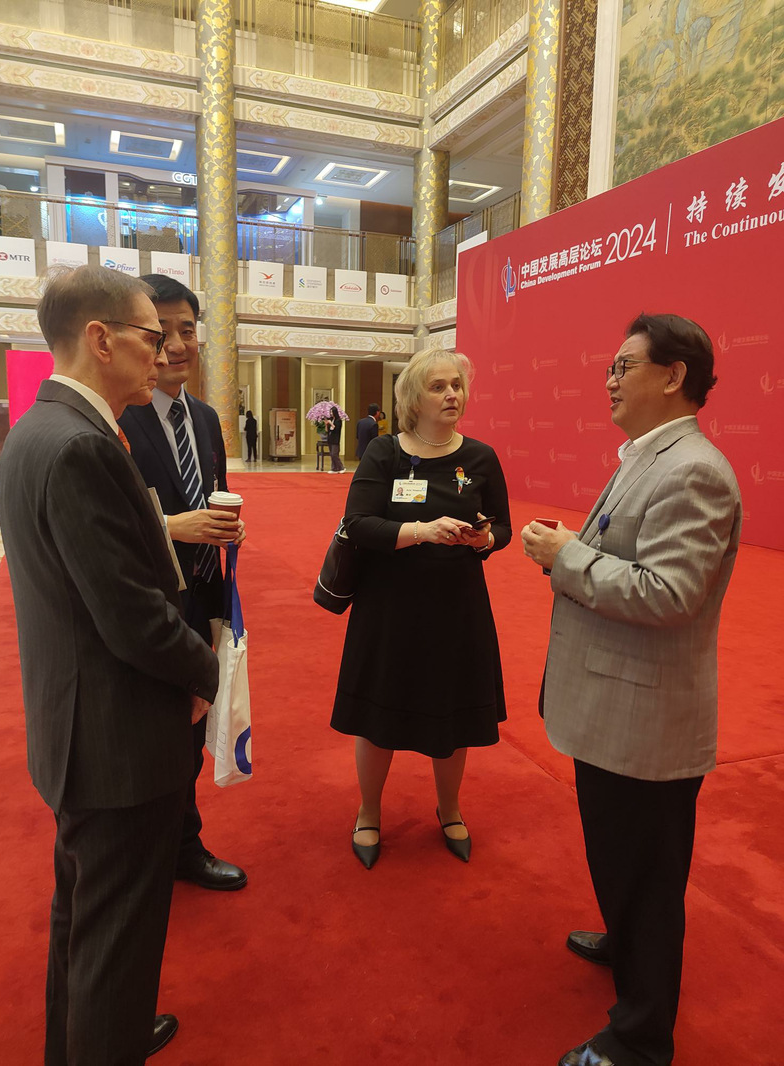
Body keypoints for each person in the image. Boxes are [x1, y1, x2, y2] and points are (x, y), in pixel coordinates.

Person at [0, 265, 219, 1064]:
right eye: (151, 336)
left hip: (79, 725)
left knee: (85, 920)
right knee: (118, 935)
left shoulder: (40, 428)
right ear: (100, 339)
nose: (164, 353)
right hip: (116, 739)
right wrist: (210, 672)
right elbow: (132, 617)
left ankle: (87, 1037)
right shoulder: (81, 446)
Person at [521, 313, 742, 1066]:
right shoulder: (648, 455)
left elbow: (668, 594)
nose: (610, 380)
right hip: (615, 706)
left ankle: (640, 1038)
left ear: (673, 376)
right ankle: (623, 939)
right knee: (621, 857)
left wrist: (565, 556)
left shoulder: (693, 470)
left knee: (647, 877)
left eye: (624, 366)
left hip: (646, 721)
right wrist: (570, 553)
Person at [331, 349, 512, 868]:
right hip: (389, 608)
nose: (452, 394)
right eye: (438, 386)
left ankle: (449, 809)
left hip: (457, 607)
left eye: (456, 385)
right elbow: (358, 523)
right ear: (413, 397)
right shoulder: (385, 453)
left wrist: (483, 539)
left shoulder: (480, 457)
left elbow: (501, 525)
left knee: (451, 710)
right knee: (378, 714)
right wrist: (421, 531)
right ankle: (368, 812)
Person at [119, 274, 247, 892]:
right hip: (142, 606)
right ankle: (147, 851)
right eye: (160, 332)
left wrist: (224, 529)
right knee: (147, 735)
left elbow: (212, 495)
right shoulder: (119, 415)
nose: (175, 345)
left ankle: (181, 844)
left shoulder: (206, 417)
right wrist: (174, 526)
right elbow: (107, 518)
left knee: (192, 732)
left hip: (202, 600)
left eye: (187, 330)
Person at [326, 404, 346, 473]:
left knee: (334, 454)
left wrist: (331, 424)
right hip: (330, 439)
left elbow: (336, 429)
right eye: (330, 412)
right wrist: (326, 424)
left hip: (335, 439)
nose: (331, 413)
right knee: (331, 454)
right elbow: (328, 431)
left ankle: (341, 467)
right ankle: (334, 468)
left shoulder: (338, 420)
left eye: (332, 412)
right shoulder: (331, 419)